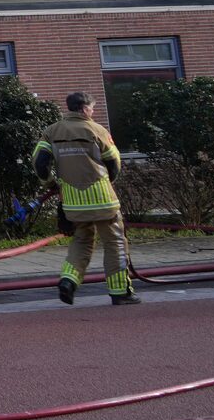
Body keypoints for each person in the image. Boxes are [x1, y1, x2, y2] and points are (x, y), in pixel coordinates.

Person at [32, 91, 139, 306]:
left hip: (73, 202)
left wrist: (52, 184)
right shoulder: (97, 130)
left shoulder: (51, 131)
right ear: (84, 109)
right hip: (103, 200)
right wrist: (108, 182)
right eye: (91, 108)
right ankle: (121, 292)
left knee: (81, 240)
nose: (92, 112)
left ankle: (68, 280)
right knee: (114, 242)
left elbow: (39, 163)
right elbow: (114, 163)